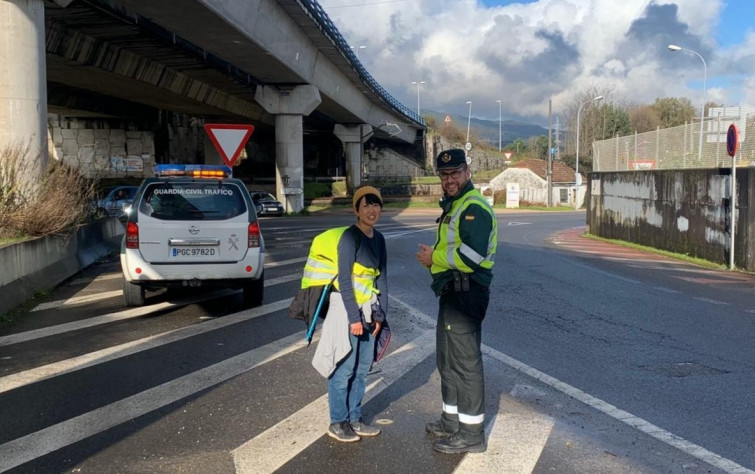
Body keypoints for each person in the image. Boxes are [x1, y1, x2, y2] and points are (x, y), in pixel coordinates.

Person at [415, 149, 497, 454]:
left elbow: (472, 257)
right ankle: (451, 422)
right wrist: (434, 260)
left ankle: (472, 435)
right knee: (447, 360)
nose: (450, 179)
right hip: (452, 292)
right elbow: (453, 250)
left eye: (455, 173)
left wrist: (432, 257)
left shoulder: (474, 208)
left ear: (467, 172)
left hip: (467, 292)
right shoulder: (456, 205)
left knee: (465, 363)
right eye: (444, 175)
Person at [311, 186, 388, 443]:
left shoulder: (379, 239)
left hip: (369, 311)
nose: (371, 210)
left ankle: (355, 418)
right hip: (346, 310)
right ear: (356, 210)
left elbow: (382, 279)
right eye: (366, 205)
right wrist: (354, 318)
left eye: (375, 205)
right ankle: (338, 421)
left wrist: (380, 315)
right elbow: (344, 280)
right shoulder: (349, 238)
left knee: (363, 368)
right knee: (343, 367)